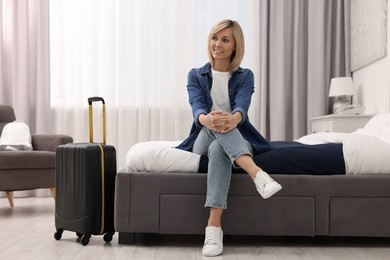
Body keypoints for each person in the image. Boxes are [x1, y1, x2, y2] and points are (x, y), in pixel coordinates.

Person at [176, 19, 282, 257]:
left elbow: (242, 106)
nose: (218, 44)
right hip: (202, 134)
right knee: (215, 130)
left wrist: (233, 119)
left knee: (218, 149)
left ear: (235, 46)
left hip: (231, 136)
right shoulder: (196, 75)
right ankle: (258, 175)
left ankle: (213, 228)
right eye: (215, 38)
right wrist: (209, 120)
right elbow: (197, 107)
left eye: (225, 40)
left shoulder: (246, 76)